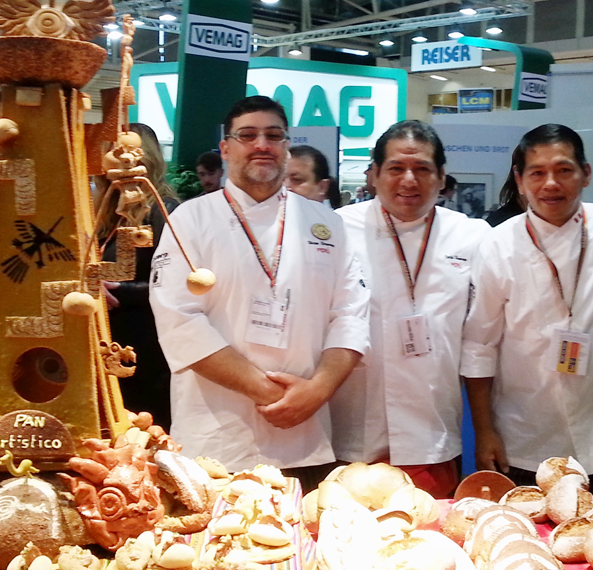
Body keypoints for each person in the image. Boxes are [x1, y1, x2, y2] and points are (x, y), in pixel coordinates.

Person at [148, 96, 369, 491]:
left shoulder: (325, 223)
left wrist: (317, 391)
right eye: (248, 135)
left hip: (305, 436)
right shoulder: (190, 219)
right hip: (216, 441)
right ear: (225, 148)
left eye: (274, 135)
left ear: (286, 147)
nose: (262, 145)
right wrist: (267, 392)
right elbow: (178, 320)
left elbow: (351, 314)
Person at [461, 124, 593, 499]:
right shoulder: (497, 244)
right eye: (537, 173)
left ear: (586, 174)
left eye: (564, 170)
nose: (551, 184)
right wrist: (484, 430)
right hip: (522, 432)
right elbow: (479, 345)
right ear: (519, 180)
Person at [331, 120, 489, 498]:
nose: (408, 180)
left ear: (442, 177)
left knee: (427, 527)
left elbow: (482, 337)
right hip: (351, 424)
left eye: (422, 169)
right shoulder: (336, 229)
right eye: (396, 168)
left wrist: (485, 429)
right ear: (373, 174)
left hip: (431, 428)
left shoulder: (473, 236)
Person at [96, 122, 177, 432]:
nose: (114, 160)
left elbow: (178, 284)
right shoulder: (104, 210)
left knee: (148, 431)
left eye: (124, 152)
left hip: (148, 345)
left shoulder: (164, 210)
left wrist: (120, 290)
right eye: (110, 152)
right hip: (107, 338)